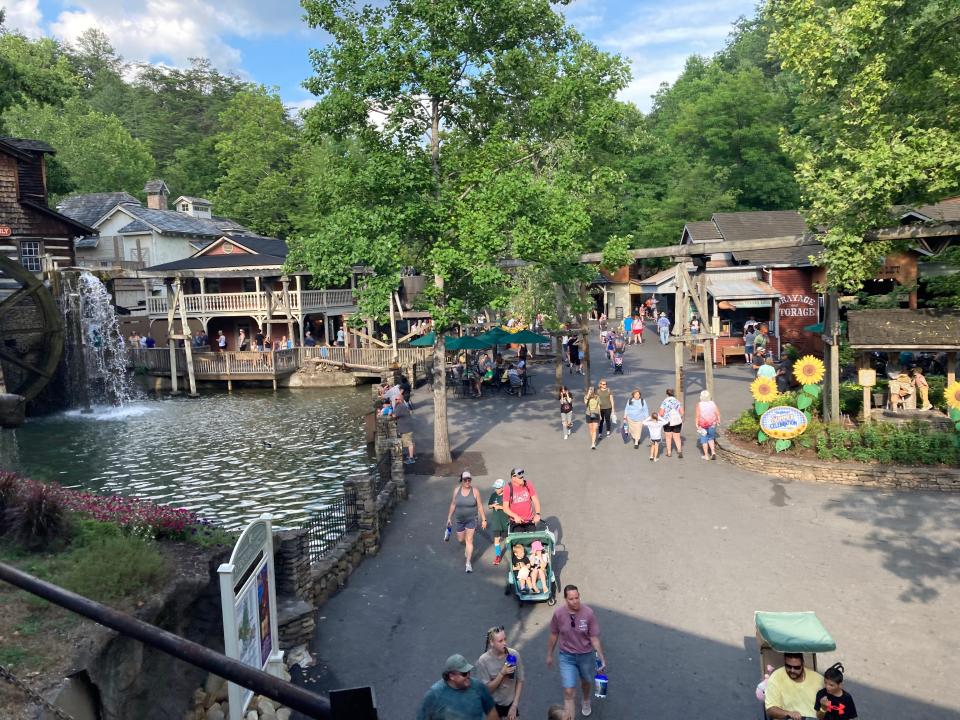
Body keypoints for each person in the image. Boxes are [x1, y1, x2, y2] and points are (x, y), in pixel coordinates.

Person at [546, 585, 607, 720]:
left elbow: (594, 638)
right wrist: (549, 654)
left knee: (586, 681)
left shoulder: (588, 613)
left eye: (577, 597)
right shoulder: (559, 614)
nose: (575, 601)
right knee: (568, 691)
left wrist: (601, 657)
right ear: (565, 599)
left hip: (585, 655)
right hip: (566, 656)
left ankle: (586, 700)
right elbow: (554, 634)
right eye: (571, 599)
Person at [417, 654, 497, 720]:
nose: (468, 675)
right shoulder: (434, 695)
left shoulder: (478, 687)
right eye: (464, 674)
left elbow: (491, 710)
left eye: (468, 671)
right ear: (451, 676)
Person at [476, 626, 525, 720]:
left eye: (505, 639)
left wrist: (514, 705)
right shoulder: (483, 661)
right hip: (493, 705)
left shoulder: (514, 655)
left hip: (510, 703)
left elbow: (520, 680)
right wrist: (502, 673)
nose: (505, 643)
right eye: (500, 641)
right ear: (491, 643)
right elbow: (487, 690)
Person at [446, 470, 487, 573]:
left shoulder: (475, 491)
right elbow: (453, 504)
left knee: (469, 540)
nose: (468, 482)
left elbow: (480, 505)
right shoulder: (456, 491)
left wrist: (484, 519)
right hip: (460, 520)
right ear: (462, 480)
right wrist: (449, 517)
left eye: (469, 480)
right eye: (465, 480)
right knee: (461, 539)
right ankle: (467, 548)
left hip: (471, 519)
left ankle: (468, 563)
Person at [764, 652, 825, 720]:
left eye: (797, 667)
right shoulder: (775, 678)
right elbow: (771, 710)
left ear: (803, 664)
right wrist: (789, 714)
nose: (792, 670)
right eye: (788, 666)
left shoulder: (818, 679)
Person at [488, 479, 510, 566]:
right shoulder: (493, 495)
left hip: (505, 521)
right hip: (496, 522)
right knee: (496, 539)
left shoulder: (506, 496)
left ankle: (511, 553)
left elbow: (509, 508)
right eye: (495, 488)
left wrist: (500, 507)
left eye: (498, 488)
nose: (496, 489)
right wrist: (493, 505)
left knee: (507, 539)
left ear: (503, 488)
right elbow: (489, 505)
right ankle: (498, 555)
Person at [695, 390, 721, 461]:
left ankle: (706, 455)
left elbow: (697, 415)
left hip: (703, 424)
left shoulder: (699, 404)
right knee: (711, 438)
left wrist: (696, 424)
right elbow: (718, 413)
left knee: (704, 440)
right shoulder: (712, 403)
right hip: (712, 424)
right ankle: (713, 452)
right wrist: (718, 420)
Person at [658, 388, 684, 459]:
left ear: (667, 394)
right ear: (673, 394)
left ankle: (669, 452)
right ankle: (679, 451)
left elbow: (661, 413)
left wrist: (658, 418)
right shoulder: (677, 401)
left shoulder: (664, 402)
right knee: (677, 437)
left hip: (667, 421)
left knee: (668, 437)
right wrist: (679, 417)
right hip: (677, 422)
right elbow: (682, 412)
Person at [392, 395, 416, 465]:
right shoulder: (403, 405)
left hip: (406, 428)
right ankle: (413, 455)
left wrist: (391, 413)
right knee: (411, 442)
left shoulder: (400, 406)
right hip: (409, 426)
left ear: (400, 400)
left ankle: (411, 459)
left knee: (409, 443)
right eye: (395, 399)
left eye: (397, 399)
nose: (396, 400)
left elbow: (394, 415)